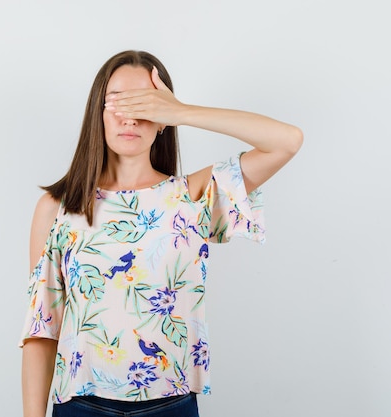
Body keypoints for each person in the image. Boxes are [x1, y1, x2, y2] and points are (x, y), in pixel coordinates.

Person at [19, 50, 303, 417]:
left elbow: (287, 141)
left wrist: (182, 111)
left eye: (146, 104)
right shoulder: (59, 207)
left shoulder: (194, 196)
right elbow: (41, 330)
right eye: (118, 102)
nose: (131, 118)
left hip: (172, 407)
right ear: (98, 112)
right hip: (80, 408)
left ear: (162, 119)